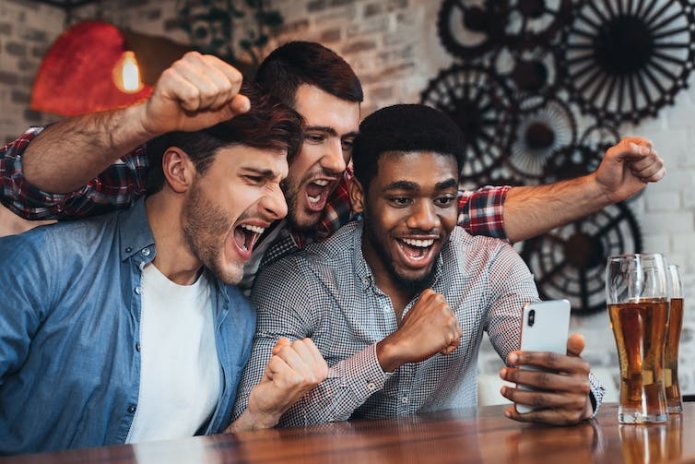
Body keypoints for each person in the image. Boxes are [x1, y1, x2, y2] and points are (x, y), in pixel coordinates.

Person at [0, 42, 665, 293]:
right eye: (315, 137)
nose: (335, 163)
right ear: (270, 121)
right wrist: (143, 118)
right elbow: (21, 178)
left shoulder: (335, 195)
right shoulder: (184, 172)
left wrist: (598, 189)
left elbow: (467, 211)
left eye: (345, 142)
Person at [0, 85, 327, 455]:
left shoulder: (237, 320)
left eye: (279, 185)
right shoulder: (46, 264)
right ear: (178, 170)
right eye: (255, 178)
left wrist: (258, 417)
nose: (279, 207)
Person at [232, 104, 603, 427]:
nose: (426, 220)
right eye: (401, 198)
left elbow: (540, 366)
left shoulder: (491, 267)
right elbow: (259, 417)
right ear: (360, 196)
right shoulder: (298, 281)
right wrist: (388, 353)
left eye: (443, 198)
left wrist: (578, 396)